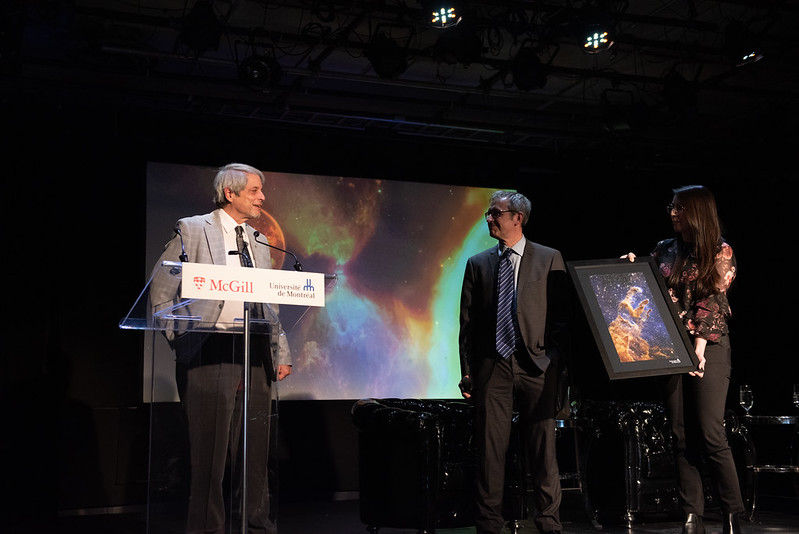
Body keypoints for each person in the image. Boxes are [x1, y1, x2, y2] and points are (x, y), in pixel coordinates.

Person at [149, 163, 292, 534]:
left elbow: (269, 303)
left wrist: (281, 353)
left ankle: (255, 523)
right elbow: (161, 295)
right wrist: (182, 340)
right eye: (255, 191)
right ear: (231, 193)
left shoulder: (259, 241)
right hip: (209, 350)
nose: (262, 197)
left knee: (255, 451)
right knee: (210, 453)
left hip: (255, 350)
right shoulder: (193, 228)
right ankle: (206, 528)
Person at [627, 185, 743, 534]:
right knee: (680, 434)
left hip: (709, 346)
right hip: (671, 349)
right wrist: (632, 267)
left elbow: (713, 303)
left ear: (696, 211)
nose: (673, 212)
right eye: (672, 207)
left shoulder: (720, 251)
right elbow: (649, 287)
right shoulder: (664, 249)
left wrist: (699, 350)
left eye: (679, 207)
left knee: (710, 432)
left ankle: (731, 512)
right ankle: (692, 513)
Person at [458, 190, 568, 534]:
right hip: (494, 366)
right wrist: (467, 370)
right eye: (489, 214)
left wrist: (552, 359)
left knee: (542, 448)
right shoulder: (478, 263)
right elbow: (468, 323)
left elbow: (563, 318)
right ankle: (489, 523)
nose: (489, 219)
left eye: (495, 213)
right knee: (491, 449)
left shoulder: (549, 258)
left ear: (517, 218)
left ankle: (548, 521)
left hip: (537, 364)